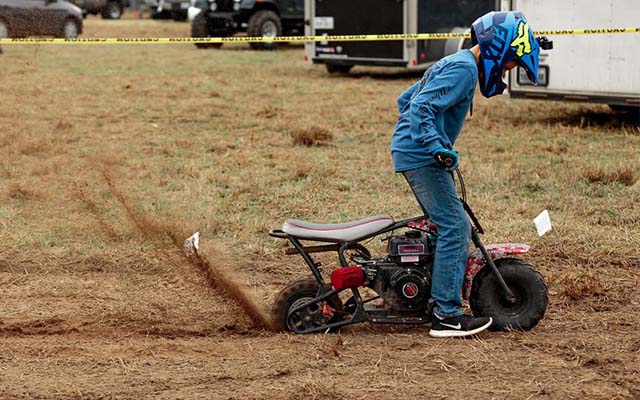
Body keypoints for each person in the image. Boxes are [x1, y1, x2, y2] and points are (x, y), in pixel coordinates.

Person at [390, 11, 542, 338]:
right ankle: (446, 314)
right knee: (455, 226)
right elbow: (420, 108)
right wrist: (434, 146)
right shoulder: (463, 70)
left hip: (416, 152)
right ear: (499, 50)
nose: (506, 70)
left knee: (446, 222)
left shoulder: (458, 62)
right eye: (510, 63)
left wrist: (426, 141)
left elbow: (406, 99)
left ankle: (428, 288)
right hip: (421, 156)